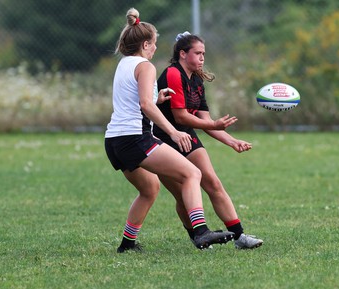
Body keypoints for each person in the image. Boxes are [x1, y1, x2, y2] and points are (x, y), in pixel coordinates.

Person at [104, 9, 235, 252]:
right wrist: (172, 132)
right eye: (153, 44)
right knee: (192, 174)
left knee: (149, 189)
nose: (155, 49)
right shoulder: (146, 66)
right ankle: (201, 231)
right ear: (145, 44)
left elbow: (137, 101)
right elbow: (144, 105)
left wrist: (158, 99)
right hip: (135, 137)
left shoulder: (124, 64)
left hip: (113, 140)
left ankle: (127, 244)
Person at [153, 31, 263, 249]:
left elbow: (205, 120)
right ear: (183, 54)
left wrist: (232, 141)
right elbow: (180, 116)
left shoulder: (197, 80)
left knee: (213, 182)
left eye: (204, 53)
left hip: (186, 134)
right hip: (162, 137)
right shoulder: (173, 73)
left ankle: (239, 237)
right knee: (182, 195)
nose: (202, 58)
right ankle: (198, 237)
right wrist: (213, 125)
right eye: (198, 53)